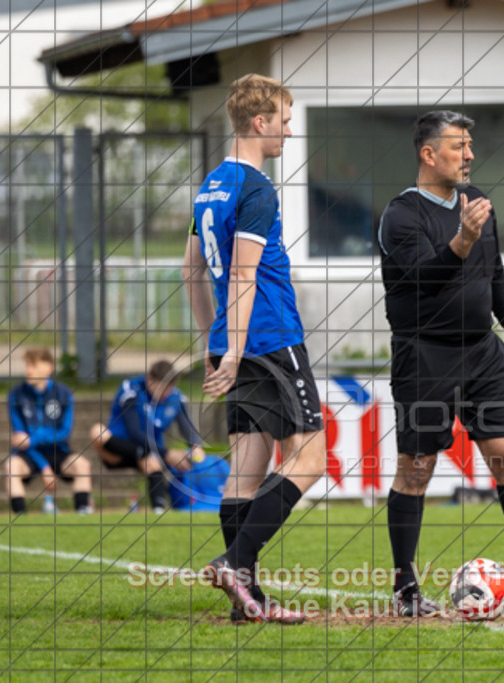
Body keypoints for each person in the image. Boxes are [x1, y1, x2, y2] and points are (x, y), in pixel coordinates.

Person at [377, 110, 504, 617]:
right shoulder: (401, 215)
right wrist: (461, 240)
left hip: (481, 354)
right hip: (425, 356)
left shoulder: (476, 203)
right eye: (457, 146)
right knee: (417, 468)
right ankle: (406, 591)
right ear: (428, 154)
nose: (469, 155)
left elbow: (495, 274)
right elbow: (424, 279)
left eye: (470, 145)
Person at [183, 73, 326, 624]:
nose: (289, 132)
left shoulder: (212, 185)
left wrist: (214, 342)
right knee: (310, 459)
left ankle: (248, 601)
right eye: (285, 122)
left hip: (234, 340)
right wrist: (238, 350)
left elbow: (191, 270)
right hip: (270, 338)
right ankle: (236, 561)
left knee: (245, 467)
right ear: (260, 122)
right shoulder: (256, 188)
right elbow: (243, 274)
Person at [89, 360, 203, 514]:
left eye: (169, 388)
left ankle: (158, 509)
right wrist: (168, 454)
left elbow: (187, 429)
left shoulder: (176, 398)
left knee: (152, 462)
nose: (165, 394)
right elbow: (134, 432)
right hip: (119, 449)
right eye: (161, 388)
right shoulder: (131, 389)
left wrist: (196, 446)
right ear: (150, 379)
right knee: (98, 431)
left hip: (150, 452)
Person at [4, 348, 92, 514]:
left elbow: (64, 433)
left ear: (49, 368)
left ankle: (83, 514)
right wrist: (44, 467)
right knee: (11, 467)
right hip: (28, 454)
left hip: (58, 450)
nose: (29, 370)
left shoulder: (64, 393)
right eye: (27, 366)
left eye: (34, 366)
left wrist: (34, 438)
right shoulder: (16, 395)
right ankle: (20, 519)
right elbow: (21, 440)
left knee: (82, 465)